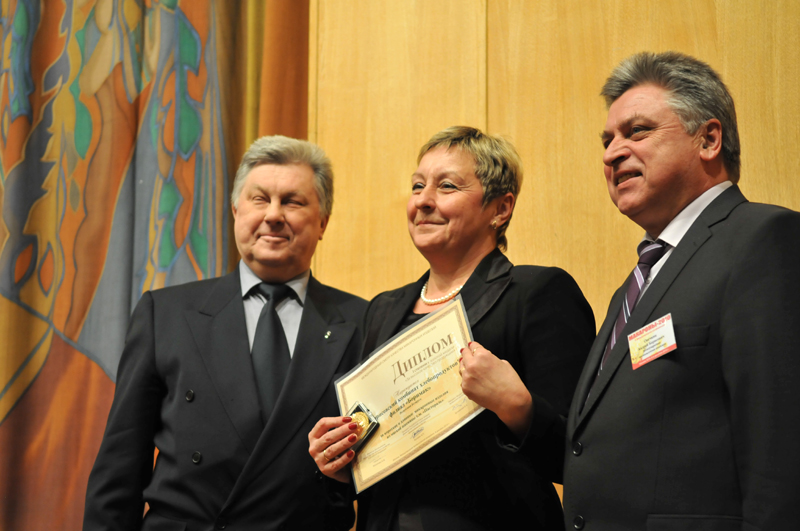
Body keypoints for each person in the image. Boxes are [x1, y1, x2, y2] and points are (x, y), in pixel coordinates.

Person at [474, 51, 800, 530]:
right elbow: (592, 450)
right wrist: (520, 412)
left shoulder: (761, 240)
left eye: (638, 131)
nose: (612, 153)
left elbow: (782, 450)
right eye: (608, 140)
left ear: (709, 139)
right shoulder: (637, 284)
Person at [309, 126, 595, 530]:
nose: (423, 201)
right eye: (417, 186)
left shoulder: (537, 293)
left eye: (446, 186)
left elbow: (581, 454)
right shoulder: (382, 310)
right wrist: (338, 460)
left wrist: (516, 406)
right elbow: (373, 452)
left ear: (500, 208)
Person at [84, 136, 367, 531]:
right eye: (259, 199)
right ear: (236, 211)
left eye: (292, 202)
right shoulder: (165, 314)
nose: (273, 215)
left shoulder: (362, 322)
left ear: (323, 221)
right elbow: (120, 467)